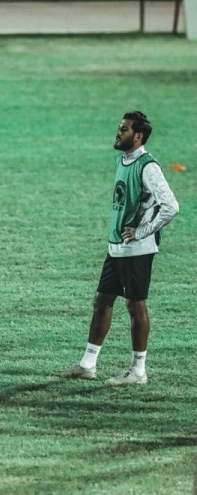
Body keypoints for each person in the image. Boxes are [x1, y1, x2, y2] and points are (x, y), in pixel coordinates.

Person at [58, 112, 178, 385]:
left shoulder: (148, 167)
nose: (118, 132)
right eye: (119, 127)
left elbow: (171, 206)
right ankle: (87, 364)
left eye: (124, 129)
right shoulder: (122, 160)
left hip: (137, 249)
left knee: (135, 305)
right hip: (117, 246)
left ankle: (138, 371)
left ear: (138, 136)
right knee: (102, 300)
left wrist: (142, 231)